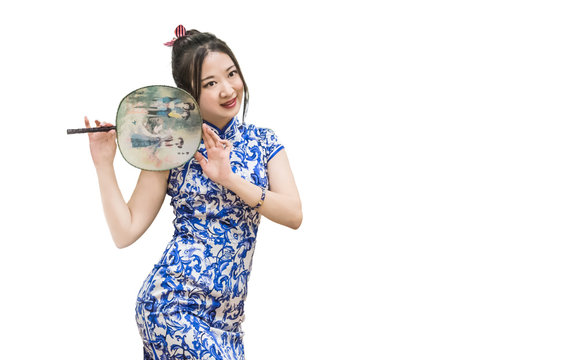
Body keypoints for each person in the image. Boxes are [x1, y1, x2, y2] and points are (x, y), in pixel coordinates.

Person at [84, 25, 302, 360]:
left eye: (231, 74)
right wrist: (103, 164)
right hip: (170, 306)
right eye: (210, 83)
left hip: (228, 324)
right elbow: (124, 231)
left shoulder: (264, 141)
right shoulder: (173, 147)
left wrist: (229, 179)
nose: (228, 89)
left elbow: (293, 214)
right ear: (188, 94)